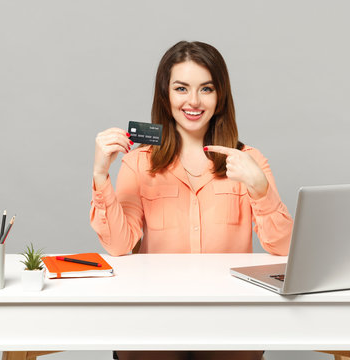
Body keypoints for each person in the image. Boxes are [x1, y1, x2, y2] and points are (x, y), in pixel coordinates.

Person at [90, 41, 293, 360]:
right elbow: (119, 245)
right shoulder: (138, 162)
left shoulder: (248, 160)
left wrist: (259, 188)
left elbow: (283, 248)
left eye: (206, 89)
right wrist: (101, 175)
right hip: (154, 311)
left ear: (220, 96)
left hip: (230, 313)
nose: (194, 101)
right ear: (165, 95)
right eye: (182, 88)